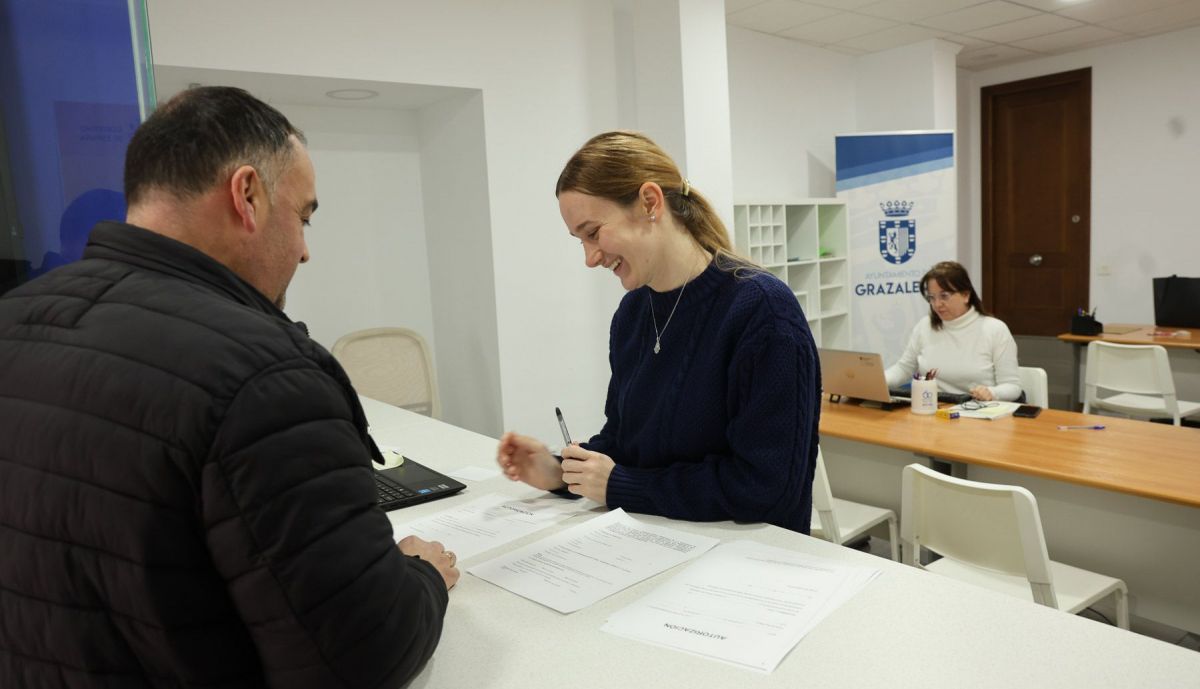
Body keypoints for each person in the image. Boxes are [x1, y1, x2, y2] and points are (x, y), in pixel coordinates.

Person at [0, 87, 457, 688]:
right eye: (303, 216)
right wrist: (421, 576)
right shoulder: (266, 375)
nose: (305, 250)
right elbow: (360, 657)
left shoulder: (15, 316)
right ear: (247, 195)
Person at [496, 131, 821, 534]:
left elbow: (765, 488)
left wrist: (623, 486)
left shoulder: (763, 312)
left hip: (754, 564)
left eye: (593, 232)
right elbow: (626, 442)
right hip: (659, 544)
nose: (589, 257)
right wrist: (560, 472)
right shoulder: (633, 313)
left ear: (650, 202)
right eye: (579, 240)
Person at [884, 260, 1021, 401]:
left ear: (966, 295)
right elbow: (904, 369)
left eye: (944, 296)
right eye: (932, 298)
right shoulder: (924, 326)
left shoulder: (995, 330)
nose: (937, 304)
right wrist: (877, 381)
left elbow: (1012, 387)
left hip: (977, 412)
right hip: (932, 410)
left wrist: (992, 393)